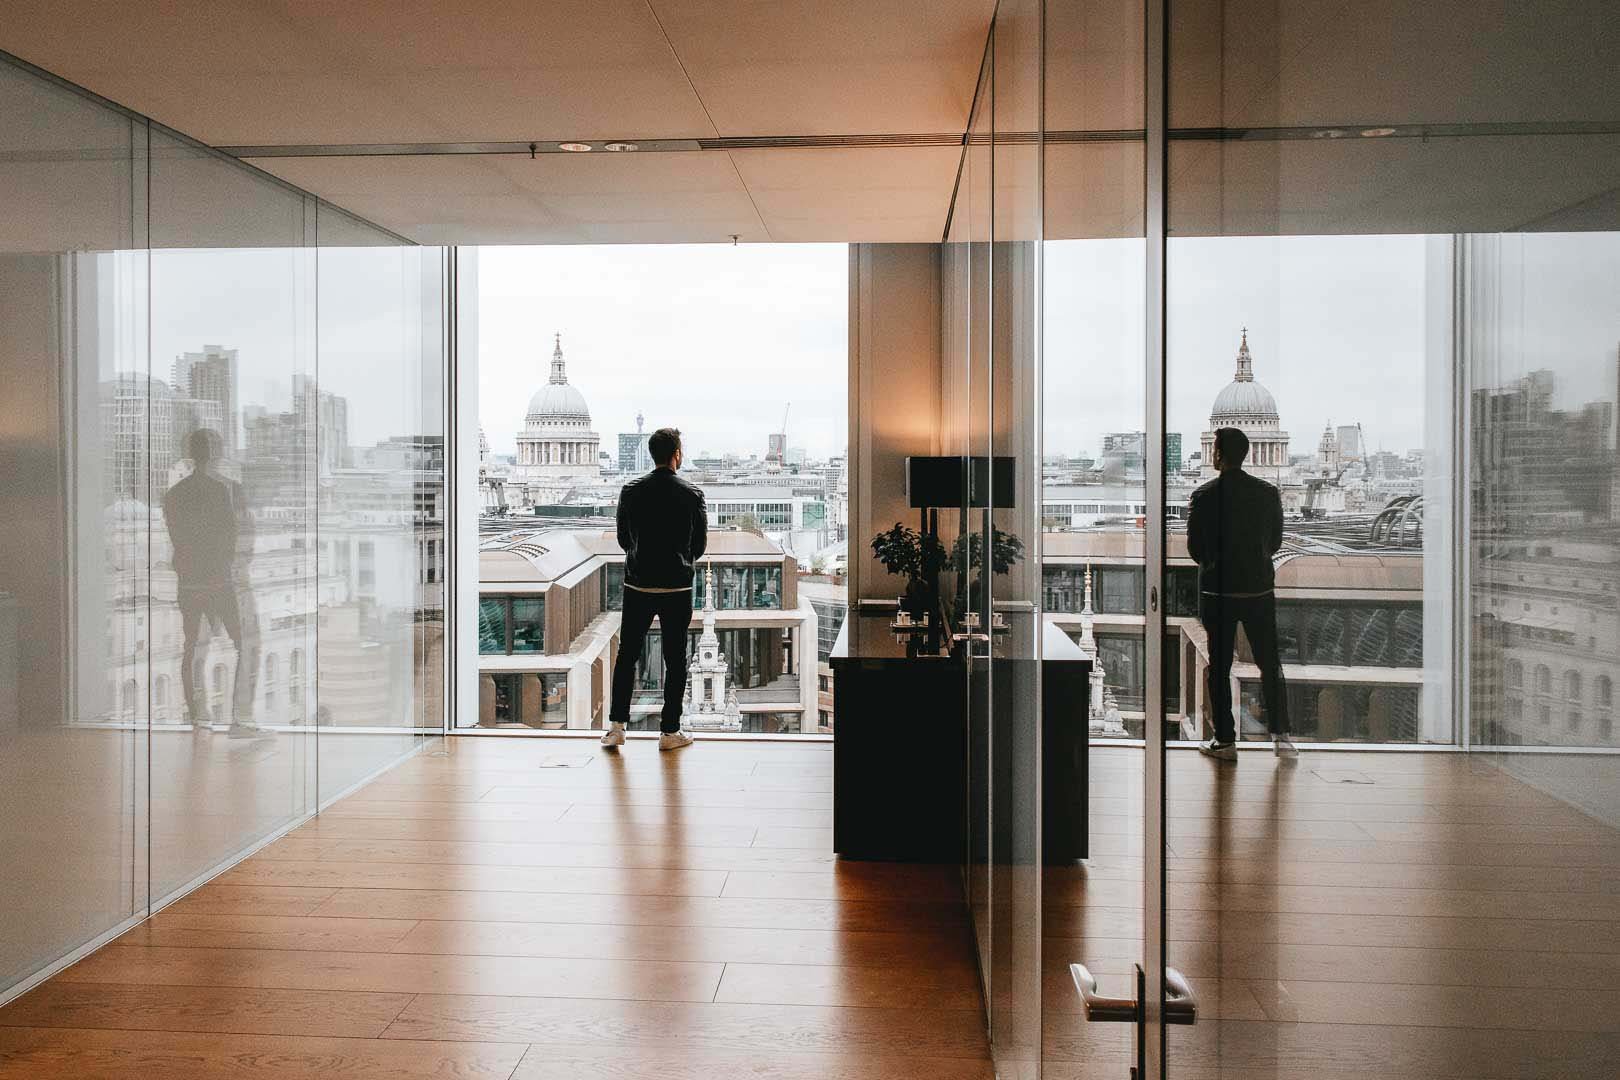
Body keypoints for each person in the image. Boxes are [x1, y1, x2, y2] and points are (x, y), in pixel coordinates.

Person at [1186, 426, 1296, 761]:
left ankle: (1225, 740)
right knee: (1269, 663)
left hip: (1218, 592)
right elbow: (1275, 542)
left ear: (1216, 454)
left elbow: (1195, 549)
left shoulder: (1204, 495)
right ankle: (1282, 736)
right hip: (1257, 590)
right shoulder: (1267, 493)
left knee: (1219, 667)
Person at [602, 426, 707, 751]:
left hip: (639, 585)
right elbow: (699, 546)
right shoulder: (692, 495)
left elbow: (623, 539)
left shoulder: (631, 491)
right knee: (676, 661)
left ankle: (617, 726)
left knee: (627, 656)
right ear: (677, 454)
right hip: (676, 588)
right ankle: (669, 731)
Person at [162, 427, 265, 740]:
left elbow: (179, 539)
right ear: (216, 453)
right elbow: (234, 536)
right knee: (247, 644)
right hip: (220, 582)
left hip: (189, 582)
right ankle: (241, 719)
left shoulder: (173, 494)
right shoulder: (226, 490)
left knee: (193, 648)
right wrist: (229, 572)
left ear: (190, 453)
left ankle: (199, 720)